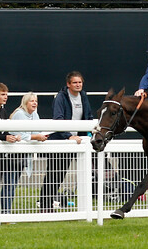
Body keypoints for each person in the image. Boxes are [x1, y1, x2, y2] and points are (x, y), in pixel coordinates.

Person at [39, 71, 93, 213]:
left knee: (67, 173)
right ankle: (45, 205)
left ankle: (83, 207)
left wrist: (88, 133)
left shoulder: (83, 96)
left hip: (78, 141)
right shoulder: (61, 98)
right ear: (68, 84)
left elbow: (88, 116)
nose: (78, 85)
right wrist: (68, 136)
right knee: (55, 173)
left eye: (80, 82)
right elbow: (58, 119)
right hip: (61, 141)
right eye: (75, 82)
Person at [2, 93, 47, 214]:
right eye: (31, 101)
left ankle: (6, 212)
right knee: (9, 184)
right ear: (25, 102)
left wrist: (40, 136)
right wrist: (37, 137)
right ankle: (5, 213)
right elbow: (21, 135)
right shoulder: (19, 114)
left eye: (36, 101)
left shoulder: (35, 114)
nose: (34, 103)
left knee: (13, 183)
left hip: (23, 155)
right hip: (11, 154)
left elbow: (37, 131)